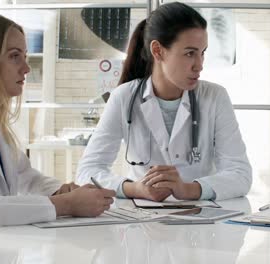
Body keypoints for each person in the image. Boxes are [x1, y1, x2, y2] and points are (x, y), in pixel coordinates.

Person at [0, 13, 115, 263]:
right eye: (15, 56)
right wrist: (66, 205)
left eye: (25, 57)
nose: (26, 68)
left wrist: (61, 190)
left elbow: (25, 177)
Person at [76, 2, 252, 202]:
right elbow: (88, 171)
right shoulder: (123, 97)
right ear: (158, 51)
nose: (199, 65)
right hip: (141, 218)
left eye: (202, 52)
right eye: (189, 53)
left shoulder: (215, 97)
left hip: (201, 221)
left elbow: (240, 174)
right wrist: (135, 189)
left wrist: (188, 190)